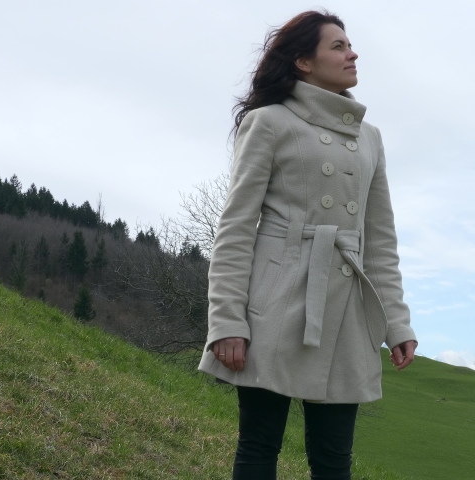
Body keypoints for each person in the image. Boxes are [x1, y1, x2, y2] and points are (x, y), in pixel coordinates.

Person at [197, 10, 418, 480]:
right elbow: (236, 226)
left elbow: (379, 240)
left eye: (349, 44)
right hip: (274, 303)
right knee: (259, 446)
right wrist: (227, 320)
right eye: (337, 46)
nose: (351, 52)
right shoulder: (269, 122)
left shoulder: (370, 138)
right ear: (302, 61)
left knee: (334, 458)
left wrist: (397, 322)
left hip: (346, 312)